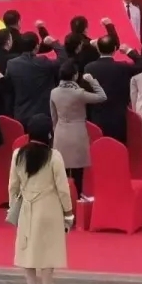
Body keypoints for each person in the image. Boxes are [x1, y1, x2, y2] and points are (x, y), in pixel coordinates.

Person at [10, 115, 74, 284]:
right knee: (48, 251)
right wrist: (68, 212)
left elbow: (13, 186)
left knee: (26, 250)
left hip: (27, 207)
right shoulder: (54, 156)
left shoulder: (18, 154)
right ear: (49, 134)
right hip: (49, 209)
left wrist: (13, 207)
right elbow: (63, 189)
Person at [51, 63, 107, 197]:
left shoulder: (54, 92)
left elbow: (53, 116)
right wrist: (92, 80)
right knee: (78, 170)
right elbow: (102, 96)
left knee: (62, 169)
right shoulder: (79, 93)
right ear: (75, 75)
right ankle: (78, 197)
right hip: (77, 133)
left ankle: (63, 198)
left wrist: (55, 131)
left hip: (60, 132)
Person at [84, 35, 142, 142]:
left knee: (99, 148)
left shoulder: (89, 68)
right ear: (114, 49)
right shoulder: (122, 67)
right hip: (119, 118)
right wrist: (128, 51)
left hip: (97, 117)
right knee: (118, 148)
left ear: (98, 49)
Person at [6, 33, 67, 124]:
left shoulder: (11, 64)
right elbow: (63, 60)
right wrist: (54, 43)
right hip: (44, 117)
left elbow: (8, 89)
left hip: (21, 116)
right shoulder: (43, 62)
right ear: (37, 47)